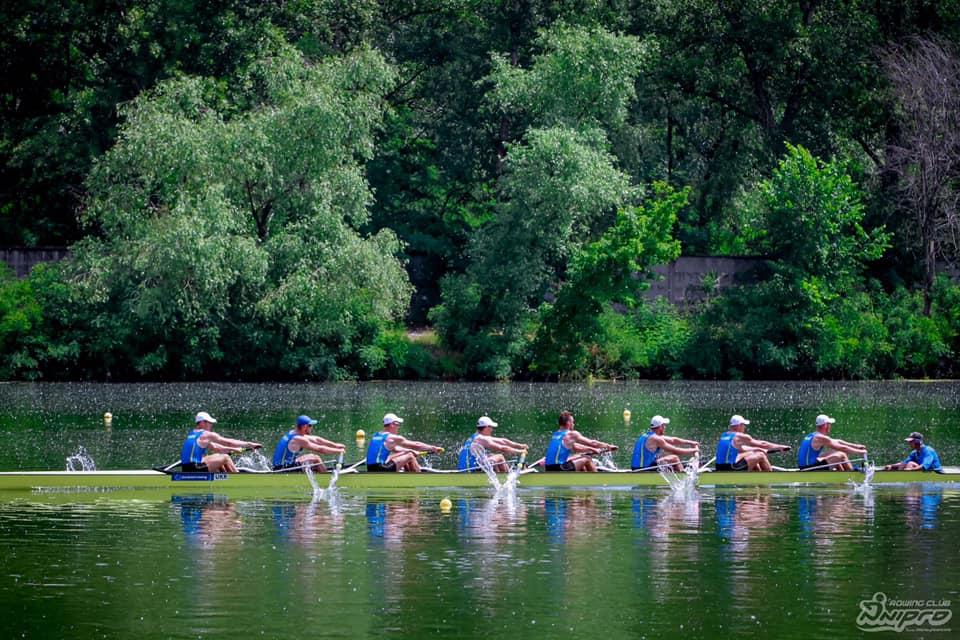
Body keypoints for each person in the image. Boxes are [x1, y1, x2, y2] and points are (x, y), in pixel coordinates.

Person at [180, 411, 262, 473]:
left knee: (218, 455)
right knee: (225, 457)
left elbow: (216, 448)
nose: (211, 425)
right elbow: (228, 442)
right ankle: (237, 478)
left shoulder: (192, 434)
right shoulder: (206, 434)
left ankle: (226, 476)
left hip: (186, 468)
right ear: (202, 422)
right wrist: (249, 444)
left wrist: (234, 449)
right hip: (195, 469)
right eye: (210, 423)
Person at [366, 413, 443, 473]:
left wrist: (409, 451)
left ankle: (409, 473)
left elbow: (396, 449)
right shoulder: (392, 438)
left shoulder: (376, 435)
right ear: (392, 424)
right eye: (398, 424)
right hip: (381, 469)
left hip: (370, 468)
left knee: (407, 453)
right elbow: (417, 445)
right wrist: (433, 448)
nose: (398, 427)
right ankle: (419, 476)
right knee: (410, 456)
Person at [544, 411, 618, 472]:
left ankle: (583, 479)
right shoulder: (571, 434)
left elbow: (575, 447)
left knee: (580, 456)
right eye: (573, 422)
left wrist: (592, 450)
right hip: (558, 468)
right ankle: (597, 480)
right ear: (568, 423)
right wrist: (608, 446)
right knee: (587, 459)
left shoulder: (556, 434)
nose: (574, 424)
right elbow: (592, 443)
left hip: (548, 468)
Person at [272, 415, 346, 472]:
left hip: (283, 465)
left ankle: (319, 470)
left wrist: (335, 445)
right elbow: (320, 449)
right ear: (304, 427)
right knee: (316, 458)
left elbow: (317, 439)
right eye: (310, 426)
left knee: (311, 456)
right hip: (282, 469)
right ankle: (326, 477)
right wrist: (338, 451)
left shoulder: (293, 432)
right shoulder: (298, 439)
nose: (311, 427)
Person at [715, 414, 790, 472]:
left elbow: (742, 449)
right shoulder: (740, 436)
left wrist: (758, 449)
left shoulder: (724, 435)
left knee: (753, 454)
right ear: (739, 425)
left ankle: (756, 479)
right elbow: (762, 444)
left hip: (719, 467)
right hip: (730, 468)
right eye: (743, 425)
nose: (744, 427)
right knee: (761, 455)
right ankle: (770, 479)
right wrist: (780, 447)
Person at [797, 414, 868, 471]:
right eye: (829, 424)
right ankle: (852, 475)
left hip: (806, 465)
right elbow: (842, 447)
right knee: (842, 454)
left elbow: (838, 441)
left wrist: (856, 446)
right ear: (825, 425)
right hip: (808, 469)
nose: (830, 426)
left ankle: (842, 473)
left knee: (835, 452)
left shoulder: (813, 435)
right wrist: (861, 452)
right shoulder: (820, 437)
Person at [458, 416, 528, 473]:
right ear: (487, 427)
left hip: (464, 468)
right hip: (470, 470)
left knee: (491, 456)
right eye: (491, 427)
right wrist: (520, 451)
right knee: (500, 457)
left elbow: (503, 441)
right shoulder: (481, 439)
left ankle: (500, 474)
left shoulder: (475, 436)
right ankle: (508, 476)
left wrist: (521, 446)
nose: (492, 430)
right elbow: (503, 448)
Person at [630, 415, 700, 472]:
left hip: (636, 467)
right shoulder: (656, 439)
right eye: (664, 425)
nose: (665, 427)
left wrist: (691, 442)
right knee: (674, 458)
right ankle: (683, 477)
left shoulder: (648, 435)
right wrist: (694, 450)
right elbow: (675, 450)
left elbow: (673, 440)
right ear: (660, 427)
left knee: (664, 459)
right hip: (642, 469)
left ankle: (677, 469)